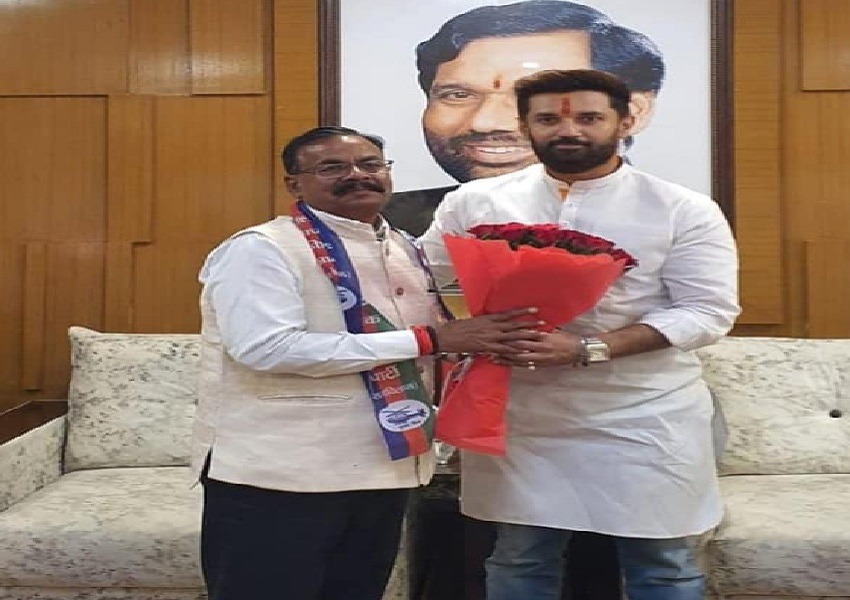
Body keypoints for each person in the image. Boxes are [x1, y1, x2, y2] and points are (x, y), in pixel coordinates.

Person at [419, 70, 741, 600]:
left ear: (625, 121)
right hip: (522, 412)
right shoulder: (475, 202)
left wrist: (590, 347)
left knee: (662, 562)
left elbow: (708, 311)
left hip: (642, 412)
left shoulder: (681, 208)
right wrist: (457, 333)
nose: (568, 129)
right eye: (548, 118)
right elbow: (422, 279)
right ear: (526, 125)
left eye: (589, 117)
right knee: (519, 557)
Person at [190, 126, 541, 600]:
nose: (356, 175)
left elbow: (425, 346)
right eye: (332, 167)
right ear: (294, 184)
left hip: (383, 467)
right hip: (282, 476)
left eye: (370, 164)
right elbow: (266, 348)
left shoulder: (406, 248)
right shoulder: (261, 248)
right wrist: (429, 339)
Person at [383, 0, 666, 236]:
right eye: (458, 95)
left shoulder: (673, 221)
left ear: (633, 112)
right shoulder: (383, 226)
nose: (485, 122)